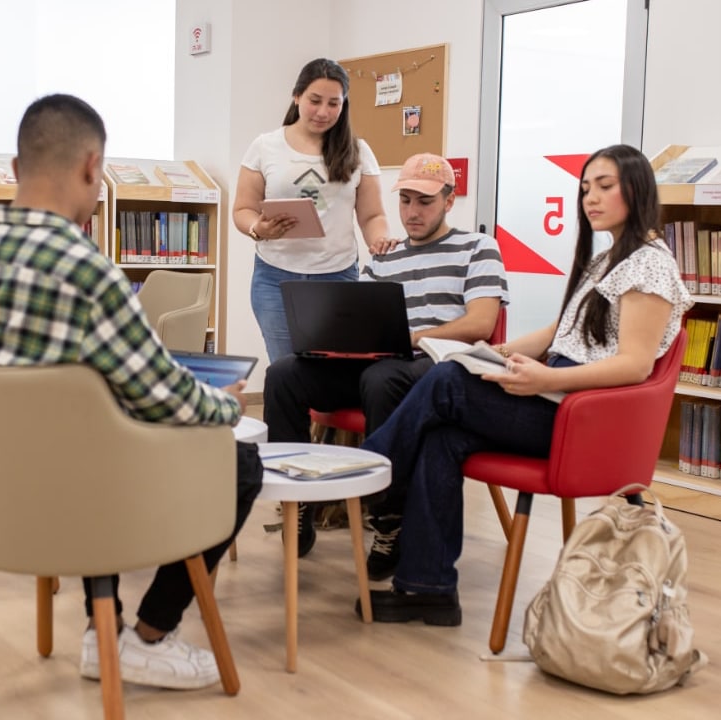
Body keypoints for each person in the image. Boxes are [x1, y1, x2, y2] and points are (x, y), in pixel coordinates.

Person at [0, 94, 262, 690]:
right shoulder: (87, 271)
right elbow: (163, 398)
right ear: (91, 167)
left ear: (16, 171)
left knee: (74, 442)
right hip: (81, 507)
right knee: (238, 463)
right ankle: (147, 636)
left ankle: (104, 630)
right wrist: (226, 404)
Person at [358, 144, 693, 625]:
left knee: (447, 379)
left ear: (636, 190)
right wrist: (493, 354)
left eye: (604, 187)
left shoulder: (649, 264)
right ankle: (425, 588)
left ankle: (367, 475)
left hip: (579, 417)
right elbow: (562, 332)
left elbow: (635, 366)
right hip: (558, 398)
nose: (590, 199)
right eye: (584, 189)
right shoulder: (608, 260)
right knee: (441, 436)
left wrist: (546, 379)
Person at [264, 153, 507, 565]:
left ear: (450, 201)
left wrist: (413, 336)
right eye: (406, 200)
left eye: (425, 202)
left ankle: (388, 520)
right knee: (284, 373)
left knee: (382, 379)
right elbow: (356, 317)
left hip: (437, 363)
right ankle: (298, 500)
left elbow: (482, 323)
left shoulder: (478, 248)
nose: (412, 212)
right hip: (378, 360)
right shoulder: (384, 255)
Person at [233, 58, 398, 364]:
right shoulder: (265, 146)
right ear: (297, 96)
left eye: (334, 103)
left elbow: (372, 215)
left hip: (337, 277)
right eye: (315, 101)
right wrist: (259, 228)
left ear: (344, 104)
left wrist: (379, 239)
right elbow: (242, 209)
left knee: (332, 373)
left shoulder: (358, 150)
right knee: (286, 369)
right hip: (275, 278)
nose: (323, 112)